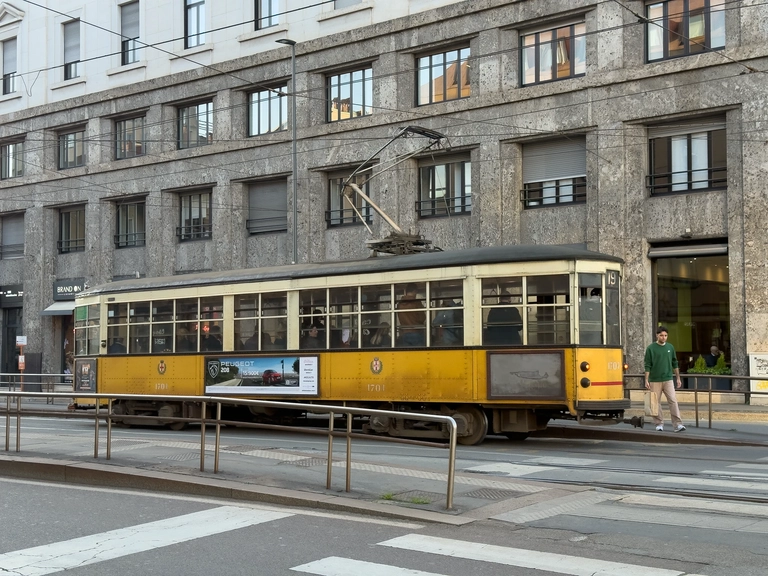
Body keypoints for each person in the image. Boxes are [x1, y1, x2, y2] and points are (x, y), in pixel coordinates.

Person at [644, 325, 686, 432]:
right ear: (657, 335)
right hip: (655, 379)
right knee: (655, 402)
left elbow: (674, 363)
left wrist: (678, 378)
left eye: (666, 335)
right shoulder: (650, 348)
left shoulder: (670, 347)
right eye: (661, 335)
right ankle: (659, 423)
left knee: (673, 400)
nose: (664, 337)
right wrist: (646, 379)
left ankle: (678, 424)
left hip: (668, 379)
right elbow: (647, 365)